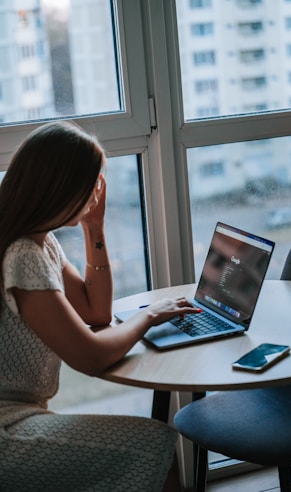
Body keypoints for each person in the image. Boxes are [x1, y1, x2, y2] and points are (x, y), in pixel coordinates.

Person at [0, 121, 201, 491]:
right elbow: (90, 358)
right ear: (62, 188)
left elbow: (95, 311)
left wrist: (94, 227)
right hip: (7, 431)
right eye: (90, 185)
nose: (96, 193)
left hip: (21, 416)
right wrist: (149, 316)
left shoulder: (39, 242)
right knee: (154, 445)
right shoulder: (23, 254)